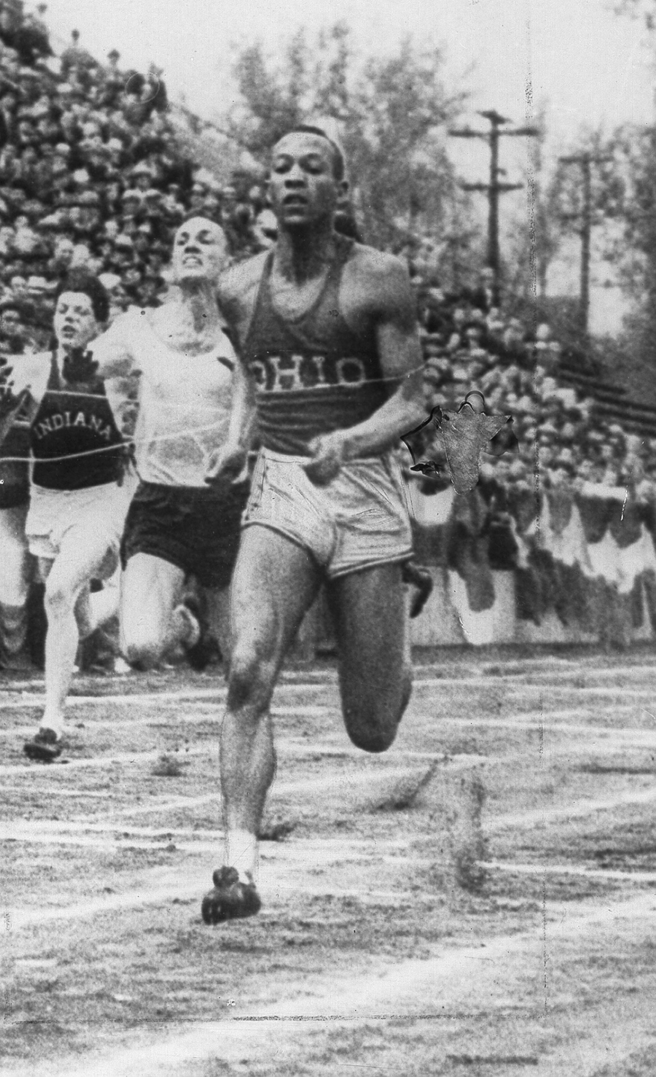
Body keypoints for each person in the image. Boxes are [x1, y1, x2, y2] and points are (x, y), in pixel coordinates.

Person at [200, 126, 429, 924]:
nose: (294, 177)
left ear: (340, 187)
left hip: (363, 490)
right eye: (282, 166)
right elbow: (254, 379)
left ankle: (397, 639)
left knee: (371, 728)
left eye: (313, 167)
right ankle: (237, 865)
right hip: (285, 488)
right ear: (267, 186)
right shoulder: (234, 287)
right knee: (247, 667)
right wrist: (238, 443)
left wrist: (354, 439)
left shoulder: (378, 279)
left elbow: (415, 400)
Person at [88, 216, 244, 671]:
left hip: (230, 506)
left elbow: (266, 396)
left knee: (246, 663)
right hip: (161, 506)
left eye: (205, 238)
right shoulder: (140, 326)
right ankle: (188, 626)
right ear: (171, 264)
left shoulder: (248, 328)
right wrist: (33, 365)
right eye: (182, 240)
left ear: (229, 261)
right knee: (139, 649)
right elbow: (80, 364)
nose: (191, 245)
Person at [10, 278, 132, 762]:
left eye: (82, 311)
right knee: (75, 616)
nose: (69, 318)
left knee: (57, 593)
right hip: (47, 504)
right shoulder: (35, 369)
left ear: (98, 322)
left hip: (100, 501)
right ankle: (118, 600)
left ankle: (51, 723)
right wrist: (0, 412)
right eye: (63, 309)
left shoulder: (118, 371)